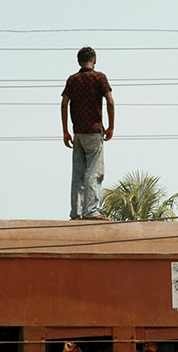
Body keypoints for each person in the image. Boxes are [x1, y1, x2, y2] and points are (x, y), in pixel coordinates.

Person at [62, 46, 114, 221]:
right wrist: (111, 127)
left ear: (78, 61)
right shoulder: (99, 77)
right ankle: (90, 211)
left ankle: (76, 213)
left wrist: (65, 131)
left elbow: (64, 103)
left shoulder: (72, 80)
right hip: (94, 131)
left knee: (78, 172)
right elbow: (110, 101)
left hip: (78, 132)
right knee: (94, 171)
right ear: (95, 60)